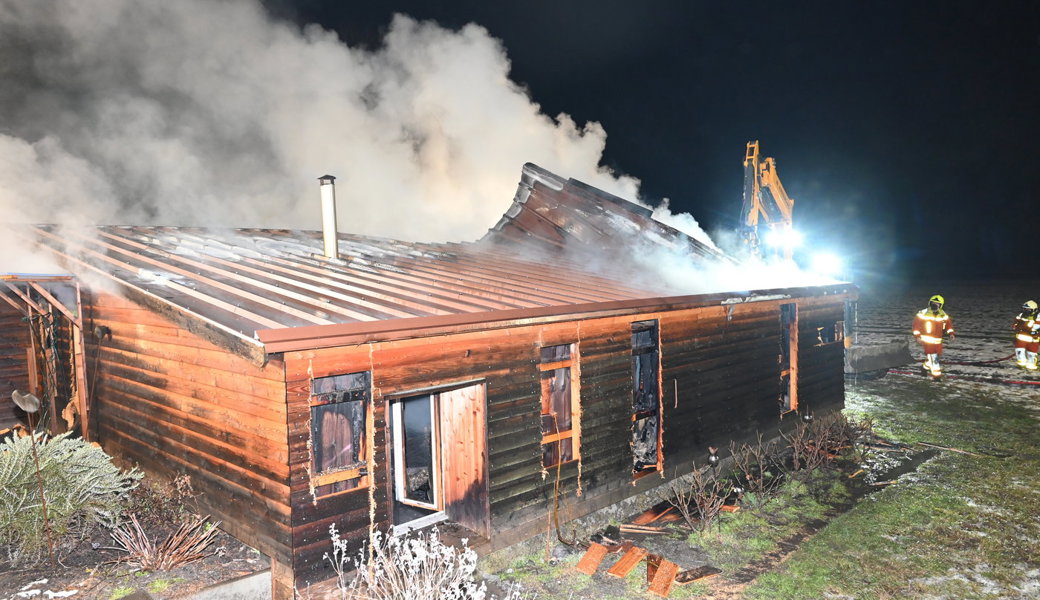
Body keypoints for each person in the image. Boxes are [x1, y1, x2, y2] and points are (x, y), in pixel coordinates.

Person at [912, 294, 954, 377]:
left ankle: (924, 368)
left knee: (934, 357)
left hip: (938, 341)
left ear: (941, 305)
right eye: (933, 303)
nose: (935, 305)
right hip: (927, 341)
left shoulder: (943, 315)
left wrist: (951, 334)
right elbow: (915, 326)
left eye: (937, 303)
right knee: (934, 358)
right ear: (930, 303)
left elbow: (949, 325)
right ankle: (936, 376)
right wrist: (917, 336)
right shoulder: (922, 313)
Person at [1012, 300, 1039, 370]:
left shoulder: (1038, 317)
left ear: (1034, 310)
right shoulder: (1021, 315)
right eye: (1025, 309)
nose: (1026, 311)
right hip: (1021, 339)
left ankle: (1031, 364)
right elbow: (1015, 322)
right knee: (1019, 351)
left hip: (1033, 340)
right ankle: (1021, 363)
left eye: (1028, 310)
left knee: (1032, 353)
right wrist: (1015, 326)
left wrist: (1036, 332)